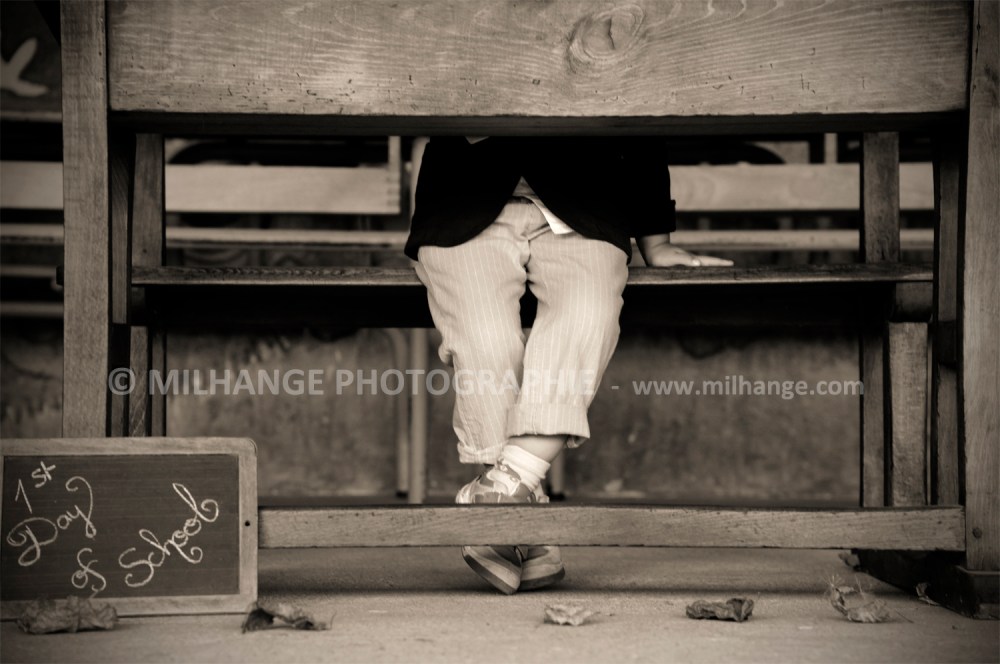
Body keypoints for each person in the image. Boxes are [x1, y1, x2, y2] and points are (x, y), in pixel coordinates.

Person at [405, 136, 731, 594]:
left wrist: (657, 241)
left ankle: (501, 495)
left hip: (588, 205)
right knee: (485, 339)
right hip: (462, 203)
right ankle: (523, 511)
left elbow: (641, 128)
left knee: (587, 319)